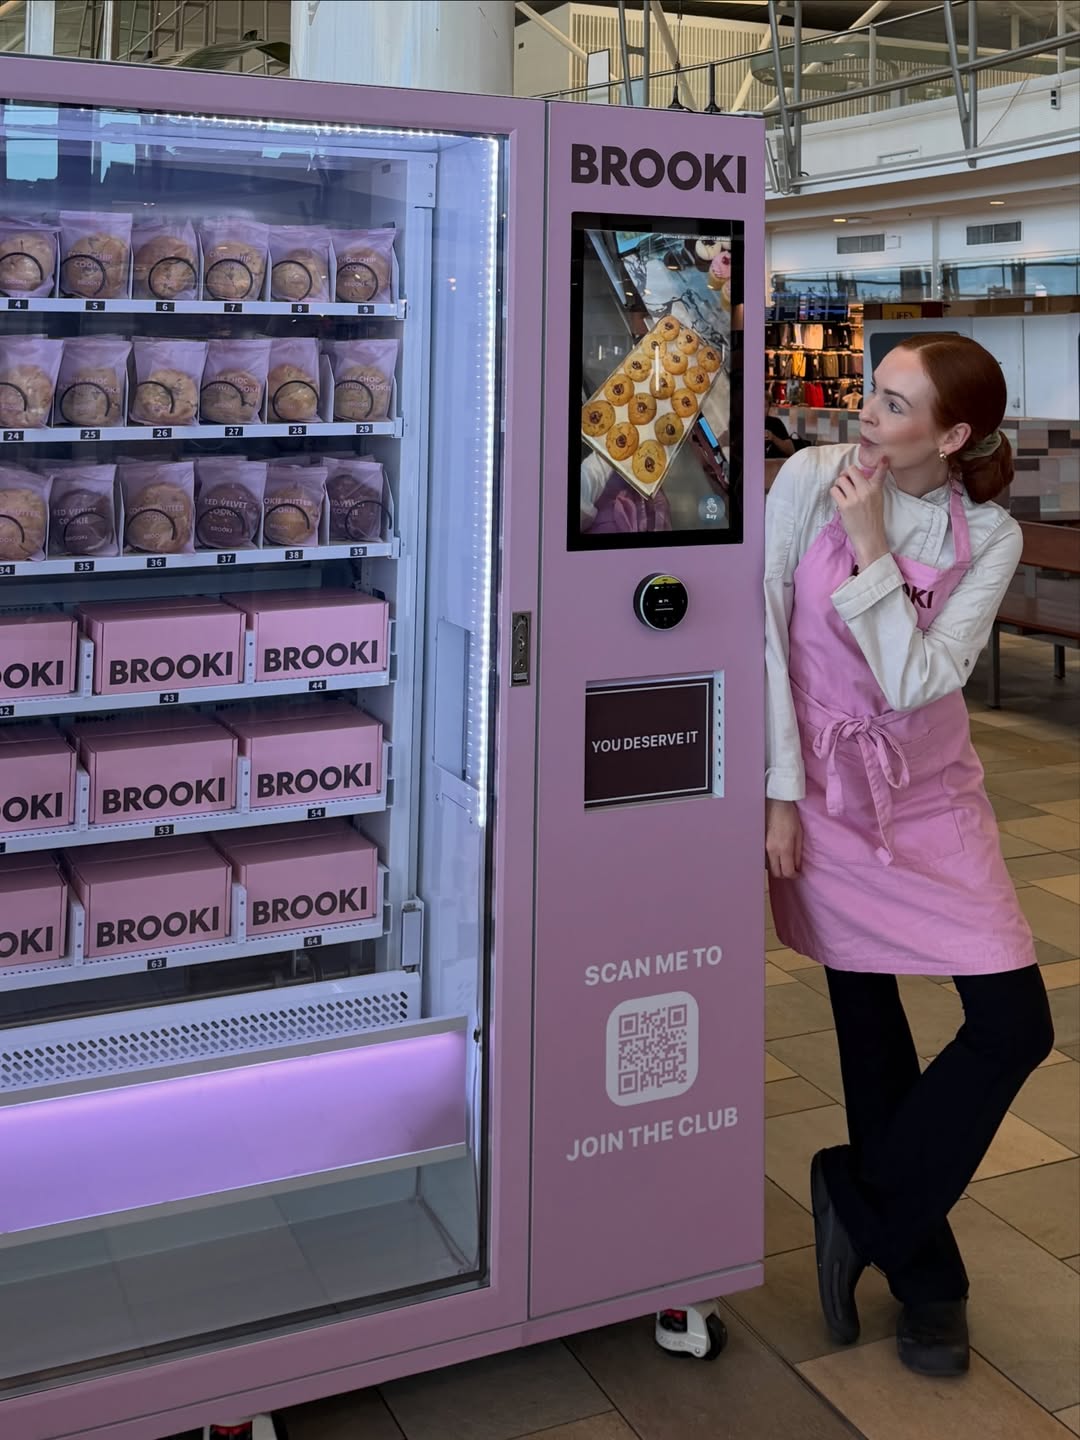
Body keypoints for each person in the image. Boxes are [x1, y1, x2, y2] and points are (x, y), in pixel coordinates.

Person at [763, 333, 1054, 1379]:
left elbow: (917, 680)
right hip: (829, 799)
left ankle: (865, 1196)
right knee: (868, 1025)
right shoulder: (802, 479)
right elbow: (761, 640)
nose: (866, 421)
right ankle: (925, 1276)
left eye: (893, 408)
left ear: (952, 434)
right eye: (871, 397)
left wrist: (870, 539)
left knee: (1015, 1023)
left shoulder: (989, 535)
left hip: (930, 797)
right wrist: (781, 794)